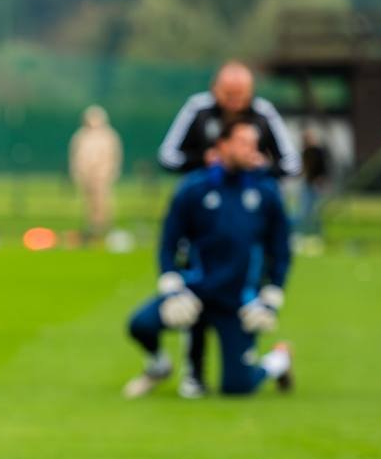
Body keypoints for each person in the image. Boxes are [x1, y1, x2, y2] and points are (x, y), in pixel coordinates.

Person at [157, 61, 300, 398]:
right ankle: (192, 372)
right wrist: (206, 161)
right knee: (191, 291)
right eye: (228, 94)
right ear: (215, 89)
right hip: (203, 215)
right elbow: (168, 155)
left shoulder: (264, 114)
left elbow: (291, 163)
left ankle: (275, 358)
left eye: (242, 95)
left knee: (238, 385)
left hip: (249, 214)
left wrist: (261, 167)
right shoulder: (198, 110)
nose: (235, 101)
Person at [123, 120, 293, 399]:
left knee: (238, 388)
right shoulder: (194, 189)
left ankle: (279, 360)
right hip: (196, 293)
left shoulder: (266, 192)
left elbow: (281, 249)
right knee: (140, 325)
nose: (251, 151)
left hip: (238, 301)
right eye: (243, 143)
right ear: (222, 145)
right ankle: (159, 366)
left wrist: (271, 297)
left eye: (254, 145)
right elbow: (168, 243)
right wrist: (173, 285)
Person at [69, 105, 123, 242]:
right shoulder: (81, 135)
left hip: (102, 175)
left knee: (102, 202)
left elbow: (114, 156)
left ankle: (103, 229)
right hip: (86, 175)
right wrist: (77, 172)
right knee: (88, 203)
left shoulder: (108, 136)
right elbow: (76, 156)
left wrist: (109, 172)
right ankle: (91, 228)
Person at [298, 127, 332, 239]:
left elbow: (323, 168)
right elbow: (303, 168)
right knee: (304, 210)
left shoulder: (318, 152)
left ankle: (317, 235)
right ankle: (304, 233)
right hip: (306, 183)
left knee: (316, 211)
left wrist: (321, 180)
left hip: (316, 184)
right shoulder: (305, 151)